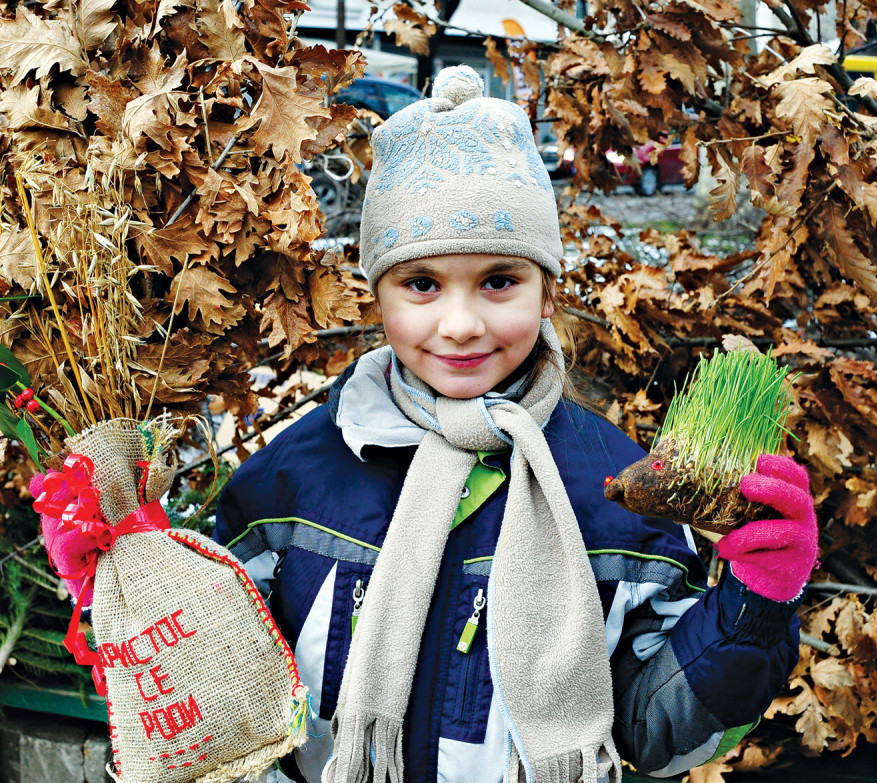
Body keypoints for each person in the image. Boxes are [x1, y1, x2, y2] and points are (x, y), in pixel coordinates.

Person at [213, 65, 818, 783]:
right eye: (422, 284)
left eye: (500, 280)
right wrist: (122, 569)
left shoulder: (612, 497)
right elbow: (215, 686)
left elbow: (660, 732)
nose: (462, 324)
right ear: (378, 295)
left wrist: (756, 601)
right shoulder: (290, 481)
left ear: (547, 291)